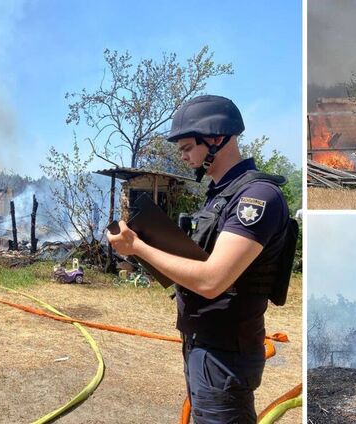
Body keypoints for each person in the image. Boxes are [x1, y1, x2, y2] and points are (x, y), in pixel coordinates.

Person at [106, 95, 295, 423]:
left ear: (217, 138)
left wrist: (137, 247)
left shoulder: (257, 198)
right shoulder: (219, 196)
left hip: (225, 354)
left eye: (187, 146)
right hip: (202, 343)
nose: (183, 155)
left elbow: (211, 280)